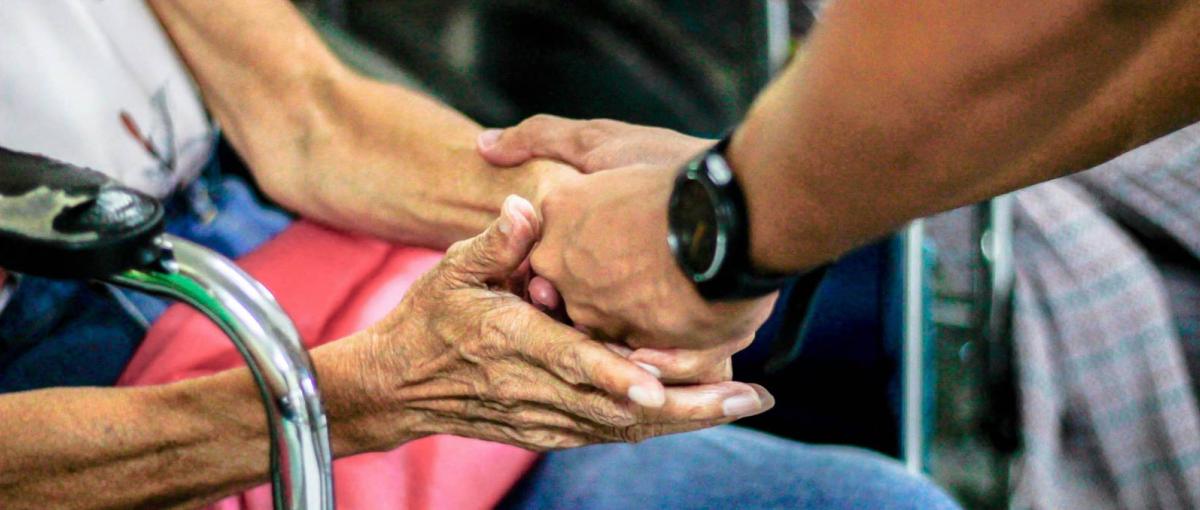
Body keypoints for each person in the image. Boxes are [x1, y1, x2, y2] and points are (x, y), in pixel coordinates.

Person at [0, 1, 957, 508]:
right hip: (106, 390)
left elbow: (306, 113)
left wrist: (627, 217)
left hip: (260, 240)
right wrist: (373, 395)